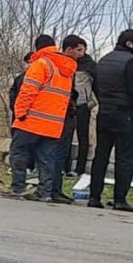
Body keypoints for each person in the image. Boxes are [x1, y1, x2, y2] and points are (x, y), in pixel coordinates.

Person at [2, 35, 77, 203]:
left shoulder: (41, 64)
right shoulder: (66, 70)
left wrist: (20, 113)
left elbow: (28, 91)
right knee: (47, 159)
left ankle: (18, 187)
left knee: (19, 153)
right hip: (54, 124)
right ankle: (44, 192)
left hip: (31, 121)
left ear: (37, 48)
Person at [88, 29, 133, 211]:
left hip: (104, 112)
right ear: (129, 44)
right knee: (125, 158)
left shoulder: (104, 60)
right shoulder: (131, 63)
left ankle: (94, 197)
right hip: (125, 114)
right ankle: (120, 199)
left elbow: (96, 85)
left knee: (101, 155)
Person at [46, 35, 87, 202]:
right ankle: (52, 189)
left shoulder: (68, 67)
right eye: (79, 50)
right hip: (60, 117)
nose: (82, 54)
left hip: (63, 116)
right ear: (68, 49)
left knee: (59, 155)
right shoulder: (62, 67)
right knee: (55, 154)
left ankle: (55, 188)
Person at [71, 50, 98, 176]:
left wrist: (91, 103)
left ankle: (79, 169)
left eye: (82, 49)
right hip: (68, 104)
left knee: (83, 137)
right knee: (65, 136)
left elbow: (97, 86)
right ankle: (64, 167)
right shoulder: (67, 63)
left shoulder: (90, 65)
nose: (80, 52)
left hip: (83, 105)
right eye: (78, 49)